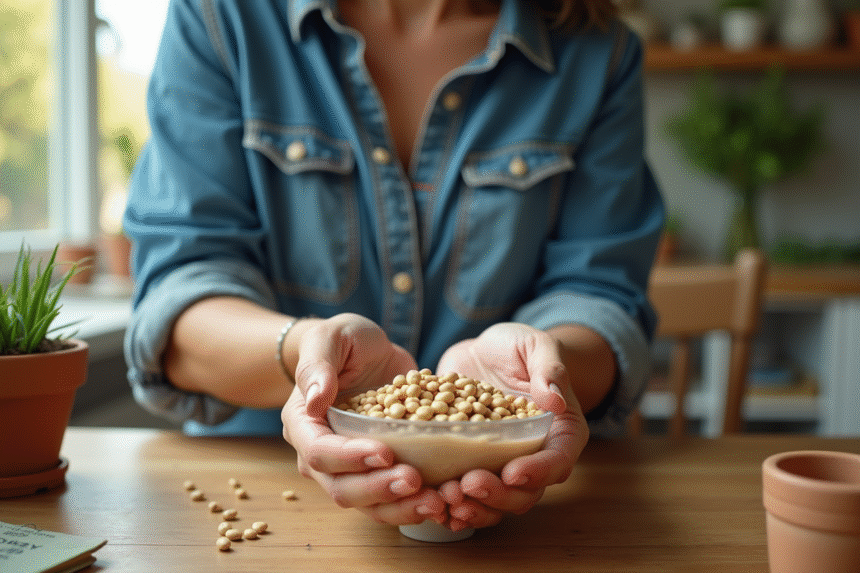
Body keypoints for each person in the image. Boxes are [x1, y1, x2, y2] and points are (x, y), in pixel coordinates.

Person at [123, 0, 665, 533]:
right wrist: (308, 355)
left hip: (535, 521)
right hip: (256, 497)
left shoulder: (598, 50)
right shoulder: (223, 15)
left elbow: (602, 294)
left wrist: (541, 372)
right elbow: (180, 293)